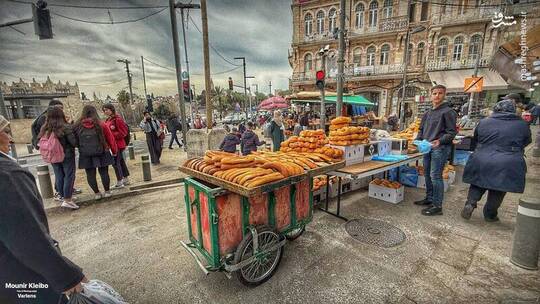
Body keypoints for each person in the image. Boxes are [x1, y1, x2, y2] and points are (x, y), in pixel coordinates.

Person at [0, 115, 87, 304]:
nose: (11, 139)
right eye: (6, 132)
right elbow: (26, 236)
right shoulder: (7, 175)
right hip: (20, 278)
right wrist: (66, 276)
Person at [461, 99, 531, 222]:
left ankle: (470, 203)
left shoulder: (484, 122)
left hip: (482, 157)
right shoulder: (521, 124)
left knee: (477, 182)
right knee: (499, 188)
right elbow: (527, 141)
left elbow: (476, 138)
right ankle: (490, 214)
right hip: (508, 160)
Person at [414, 84, 457, 216]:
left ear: (444, 95)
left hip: (440, 148)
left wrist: (440, 141)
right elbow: (421, 129)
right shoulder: (427, 113)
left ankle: (437, 206)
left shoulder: (448, 112)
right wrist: (418, 140)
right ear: (430, 95)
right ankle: (429, 198)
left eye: (440, 93)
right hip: (427, 147)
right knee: (427, 174)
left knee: (435, 176)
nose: (437, 96)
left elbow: (451, 132)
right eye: (434, 93)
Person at [39, 107, 79, 209]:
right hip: (67, 155)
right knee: (69, 176)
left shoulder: (45, 128)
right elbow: (73, 142)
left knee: (59, 175)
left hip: (52, 156)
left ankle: (63, 196)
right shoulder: (65, 127)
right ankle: (67, 199)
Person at [75, 105, 118, 200]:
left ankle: (97, 193)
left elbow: (74, 140)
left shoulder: (78, 126)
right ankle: (107, 191)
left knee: (90, 174)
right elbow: (110, 139)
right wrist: (114, 151)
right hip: (102, 151)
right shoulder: (101, 124)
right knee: (104, 172)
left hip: (85, 153)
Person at [102, 104, 130, 188]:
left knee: (115, 163)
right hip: (112, 145)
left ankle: (120, 181)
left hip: (118, 145)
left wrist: (111, 135)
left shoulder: (117, 120)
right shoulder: (107, 120)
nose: (105, 111)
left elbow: (123, 132)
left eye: (107, 109)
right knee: (120, 162)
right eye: (104, 110)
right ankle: (125, 178)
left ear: (111, 109)